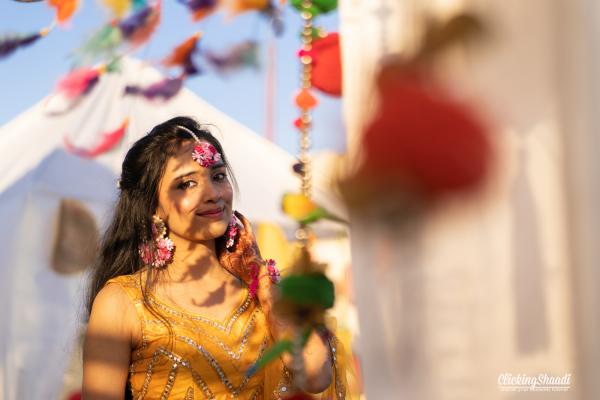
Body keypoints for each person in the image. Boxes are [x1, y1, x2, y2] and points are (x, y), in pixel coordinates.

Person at [82, 116, 348, 399]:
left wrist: (268, 291)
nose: (212, 193)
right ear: (152, 206)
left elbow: (316, 377)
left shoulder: (261, 292)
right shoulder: (123, 302)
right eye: (186, 184)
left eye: (218, 176)